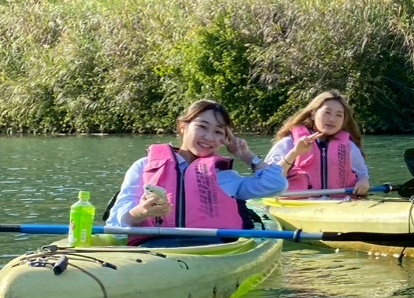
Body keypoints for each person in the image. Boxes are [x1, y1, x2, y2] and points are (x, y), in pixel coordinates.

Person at [109, 99, 286, 247]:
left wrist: (246, 155)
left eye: (218, 132)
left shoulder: (226, 177)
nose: (209, 137)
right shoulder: (144, 166)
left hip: (212, 252)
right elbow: (115, 224)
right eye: (202, 127)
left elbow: (277, 184)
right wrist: (140, 213)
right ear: (182, 127)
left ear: (225, 139)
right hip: (154, 249)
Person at [265, 90, 371, 197]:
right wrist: (295, 153)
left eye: (339, 115)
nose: (332, 119)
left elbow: (362, 175)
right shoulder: (289, 143)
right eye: (327, 112)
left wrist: (363, 181)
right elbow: (267, 179)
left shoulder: (350, 147)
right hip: (298, 205)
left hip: (340, 204)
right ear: (313, 114)